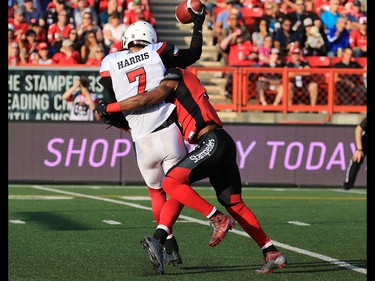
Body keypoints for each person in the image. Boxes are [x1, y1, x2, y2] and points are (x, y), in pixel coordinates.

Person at [98, 67, 287, 275]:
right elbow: (143, 120)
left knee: (171, 183)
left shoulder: (174, 75)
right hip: (220, 141)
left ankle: (217, 218)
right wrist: (117, 119)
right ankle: (271, 252)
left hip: (211, 141)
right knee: (234, 204)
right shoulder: (175, 88)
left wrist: (112, 106)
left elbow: (149, 98)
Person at [97, 9, 209, 266]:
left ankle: (169, 243)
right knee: (178, 189)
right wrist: (198, 26)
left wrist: (124, 126)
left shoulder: (110, 62)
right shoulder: (160, 50)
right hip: (168, 130)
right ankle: (162, 237)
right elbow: (195, 55)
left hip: (141, 138)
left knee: (156, 193)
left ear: (127, 40)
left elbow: (110, 106)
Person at [342, 116, 367, 190]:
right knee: (357, 159)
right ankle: (347, 184)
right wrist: (359, 150)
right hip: (365, 141)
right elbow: (358, 130)